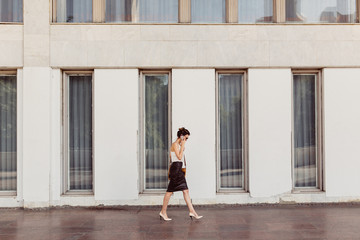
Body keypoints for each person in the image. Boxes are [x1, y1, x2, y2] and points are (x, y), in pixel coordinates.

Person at [159, 127, 203, 221]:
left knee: (185, 191)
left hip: (179, 169)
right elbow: (178, 157)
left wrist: (182, 146)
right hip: (175, 170)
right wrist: (182, 146)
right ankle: (163, 212)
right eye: (186, 138)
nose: (186, 140)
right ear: (181, 136)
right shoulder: (175, 144)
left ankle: (192, 211)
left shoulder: (178, 145)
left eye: (187, 138)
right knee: (169, 192)